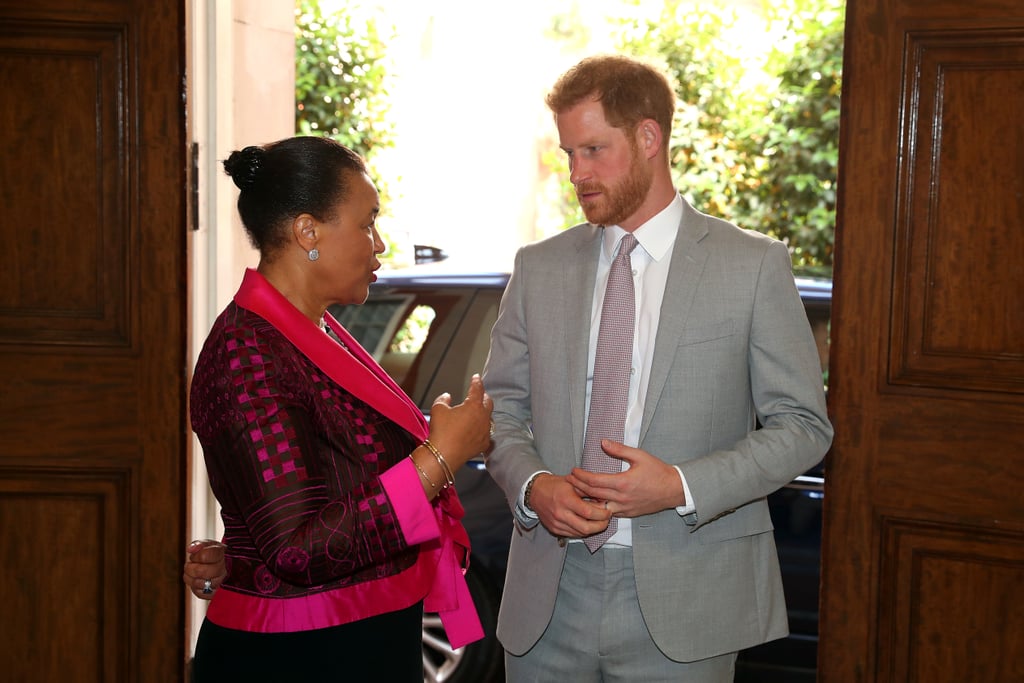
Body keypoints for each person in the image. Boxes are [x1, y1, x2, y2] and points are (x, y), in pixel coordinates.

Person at [481, 54, 834, 682]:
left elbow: (804, 426)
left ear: (649, 138)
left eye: (592, 149)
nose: (575, 174)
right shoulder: (540, 267)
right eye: (568, 153)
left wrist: (681, 486)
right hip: (547, 598)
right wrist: (536, 488)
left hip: (689, 600)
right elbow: (502, 411)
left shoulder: (752, 266)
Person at [185, 135, 493, 682]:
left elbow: (320, 488)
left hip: (351, 640)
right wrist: (440, 456)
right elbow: (299, 551)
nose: (379, 243)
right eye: (367, 223)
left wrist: (238, 557)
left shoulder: (313, 331)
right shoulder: (246, 353)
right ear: (308, 232)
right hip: (299, 656)